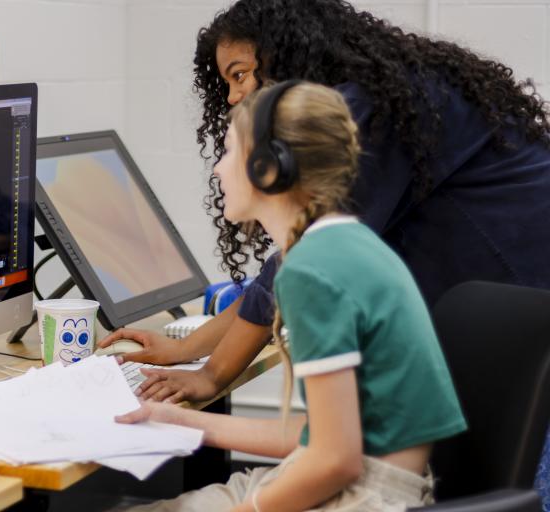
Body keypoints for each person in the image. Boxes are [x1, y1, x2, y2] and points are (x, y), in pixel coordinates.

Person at [97, 0, 550, 404]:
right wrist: (188, 350)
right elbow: (287, 264)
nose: (233, 97)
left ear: (287, 53)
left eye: (239, 74)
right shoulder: (387, 92)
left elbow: (296, 258)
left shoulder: (371, 113)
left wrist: (213, 374)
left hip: (527, 321)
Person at [115, 81, 467, 511]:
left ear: (267, 168)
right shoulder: (343, 242)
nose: (217, 170)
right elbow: (323, 439)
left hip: (367, 498)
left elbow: (336, 461)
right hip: (373, 481)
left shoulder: (314, 271)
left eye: (228, 152)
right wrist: (175, 418)